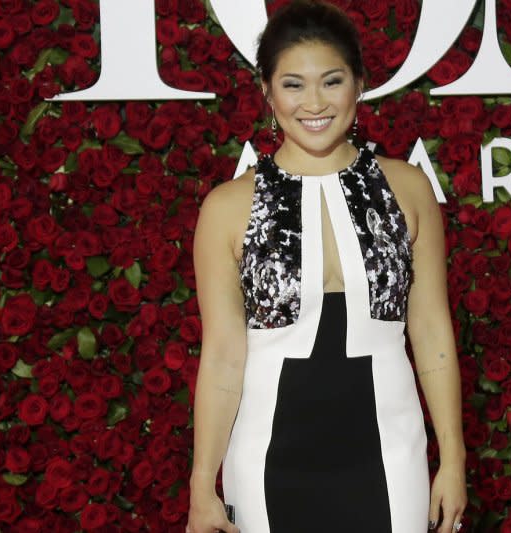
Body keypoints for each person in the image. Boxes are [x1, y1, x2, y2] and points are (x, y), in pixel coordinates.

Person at [186, 1, 466, 532]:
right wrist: (203, 484)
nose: (313, 102)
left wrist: (453, 460)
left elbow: (432, 332)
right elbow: (222, 357)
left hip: (390, 455)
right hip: (268, 461)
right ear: (267, 92)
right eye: (293, 85)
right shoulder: (226, 208)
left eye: (331, 81)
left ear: (359, 84)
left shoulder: (408, 188)